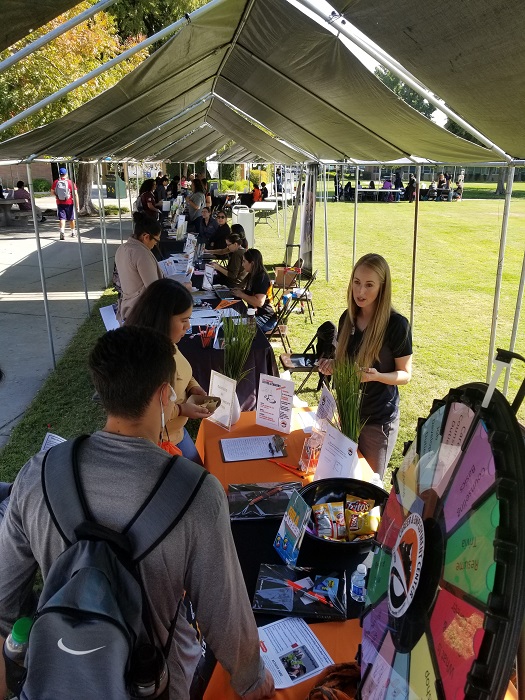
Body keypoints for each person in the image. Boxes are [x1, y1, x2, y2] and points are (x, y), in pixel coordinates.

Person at [0, 326, 275, 700]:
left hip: (56, 678)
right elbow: (224, 613)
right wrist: (254, 682)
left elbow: (4, 599)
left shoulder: (37, 475)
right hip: (152, 683)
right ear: (165, 396)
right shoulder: (196, 492)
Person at [318, 253, 412, 477]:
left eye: (369, 285)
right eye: (357, 283)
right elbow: (344, 363)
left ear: (382, 286)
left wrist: (377, 376)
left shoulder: (396, 325)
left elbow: (405, 374)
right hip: (348, 413)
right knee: (344, 478)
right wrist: (331, 365)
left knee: (368, 485)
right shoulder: (347, 318)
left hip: (378, 421)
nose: (361, 292)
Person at [126, 280, 210, 464]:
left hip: (177, 433)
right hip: (161, 442)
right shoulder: (146, 358)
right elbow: (146, 410)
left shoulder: (168, 343)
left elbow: (182, 371)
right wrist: (181, 409)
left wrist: (193, 387)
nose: (188, 326)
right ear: (163, 318)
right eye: (184, 320)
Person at [114, 212, 164, 323]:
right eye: (156, 240)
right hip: (141, 312)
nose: (155, 245)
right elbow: (154, 289)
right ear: (146, 237)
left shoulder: (121, 248)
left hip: (128, 308)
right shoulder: (141, 253)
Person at [232, 248, 277, 332]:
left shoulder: (261, 278)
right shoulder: (252, 274)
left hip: (266, 318)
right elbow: (252, 292)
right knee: (230, 321)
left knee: (234, 328)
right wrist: (241, 291)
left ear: (252, 263)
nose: (242, 264)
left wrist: (241, 294)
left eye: (244, 261)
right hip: (254, 314)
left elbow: (259, 302)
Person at [52, 167, 79, 240]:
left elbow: (52, 192)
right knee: (71, 218)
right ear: (66, 174)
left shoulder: (56, 182)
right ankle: (73, 232)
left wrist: (57, 196)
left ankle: (62, 232)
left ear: (60, 174)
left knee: (62, 218)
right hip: (69, 202)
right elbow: (75, 194)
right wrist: (77, 205)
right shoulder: (70, 182)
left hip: (59, 202)